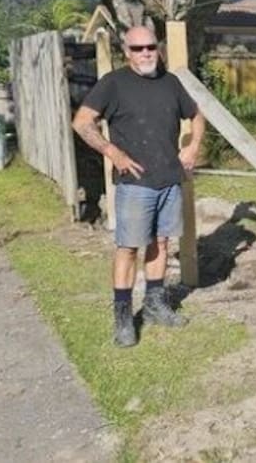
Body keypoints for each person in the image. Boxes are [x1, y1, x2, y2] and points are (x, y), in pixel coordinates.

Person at [72, 25, 206, 347]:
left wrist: (192, 146)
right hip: (135, 185)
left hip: (169, 179)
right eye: (137, 48)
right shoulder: (113, 84)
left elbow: (198, 115)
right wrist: (112, 152)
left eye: (150, 47)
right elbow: (81, 122)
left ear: (158, 48)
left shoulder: (170, 82)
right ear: (126, 51)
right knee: (128, 248)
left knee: (160, 242)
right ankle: (122, 319)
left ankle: (154, 305)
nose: (145, 53)